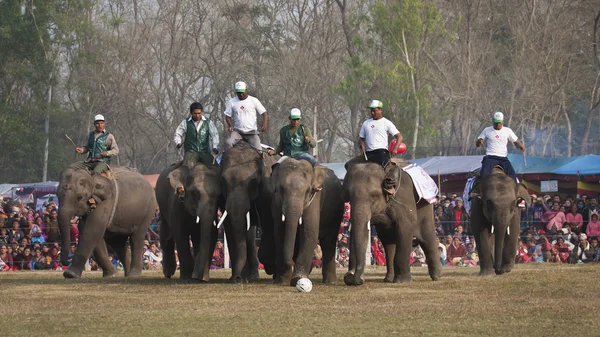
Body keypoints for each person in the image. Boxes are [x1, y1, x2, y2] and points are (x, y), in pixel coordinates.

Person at [72, 114, 119, 208]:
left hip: (102, 162)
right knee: (72, 168)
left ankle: (94, 198)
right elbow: (86, 148)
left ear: (104, 124)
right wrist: (81, 150)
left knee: (96, 173)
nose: (100, 125)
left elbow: (116, 150)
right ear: (94, 124)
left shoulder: (109, 136)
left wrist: (107, 153)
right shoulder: (90, 135)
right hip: (90, 161)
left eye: (102, 123)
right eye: (98, 123)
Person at [358, 100, 403, 194]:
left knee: (386, 170)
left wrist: (395, 148)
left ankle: (389, 187)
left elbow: (399, 136)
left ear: (380, 110)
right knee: (350, 165)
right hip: (368, 153)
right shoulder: (366, 123)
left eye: (375, 110)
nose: (373, 113)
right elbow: (361, 138)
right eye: (371, 111)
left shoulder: (386, 122)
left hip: (381, 152)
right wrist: (361, 144)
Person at [475, 112, 525, 180]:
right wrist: (479, 142)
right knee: (484, 175)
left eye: (499, 123)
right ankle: (480, 189)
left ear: (502, 121)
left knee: (512, 176)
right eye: (496, 123)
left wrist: (520, 146)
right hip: (490, 157)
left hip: (503, 158)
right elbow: (478, 143)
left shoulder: (508, 131)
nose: (498, 124)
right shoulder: (487, 130)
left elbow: (515, 142)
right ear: (493, 121)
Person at [223, 81, 268, 152]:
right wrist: (230, 126)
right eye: (238, 92)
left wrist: (265, 124)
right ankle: (223, 161)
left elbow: (264, 112)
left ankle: (261, 162)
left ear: (246, 90)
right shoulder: (232, 102)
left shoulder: (253, 100)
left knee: (259, 150)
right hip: (237, 132)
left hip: (251, 132)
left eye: (242, 92)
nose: (241, 94)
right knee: (228, 143)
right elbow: (227, 116)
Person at [174, 102, 220, 168]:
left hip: (205, 152)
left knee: (215, 168)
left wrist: (215, 146)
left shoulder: (208, 122)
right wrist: (178, 143)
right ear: (191, 113)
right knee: (186, 169)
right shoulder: (185, 122)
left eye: (199, 113)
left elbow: (214, 135)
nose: (197, 115)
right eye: (195, 113)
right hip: (191, 152)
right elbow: (178, 134)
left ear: (202, 112)